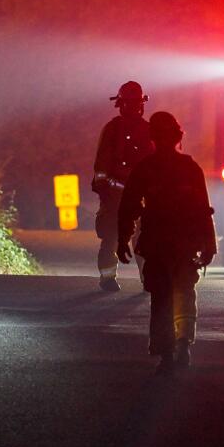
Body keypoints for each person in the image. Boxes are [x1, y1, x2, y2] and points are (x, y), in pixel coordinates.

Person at [117, 111, 216, 374]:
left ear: (153, 138)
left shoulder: (145, 168)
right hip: (184, 242)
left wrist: (123, 239)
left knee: (161, 298)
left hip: (158, 242)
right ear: (177, 137)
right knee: (184, 291)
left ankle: (166, 354)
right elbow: (203, 209)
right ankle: (183, 344)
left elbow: (128, 207)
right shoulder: (190, 168)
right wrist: (209, 243)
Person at [92, 81, 153, 292]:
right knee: (111, 235)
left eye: (136, 103)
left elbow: (155, 162)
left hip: (141, 195)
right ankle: (108, 277)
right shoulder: (113, 129)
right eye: (131, 103)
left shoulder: (148, 130)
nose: (135, 108)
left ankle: (148, 277)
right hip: (116, 193)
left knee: (144, 238)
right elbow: (101, 163)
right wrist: (103, 187)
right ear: (122, 104)